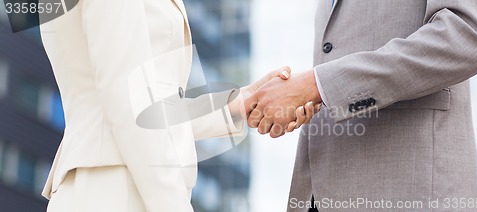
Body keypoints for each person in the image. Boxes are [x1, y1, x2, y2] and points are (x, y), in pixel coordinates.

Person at [38, 0, 319, 211]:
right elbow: (128, 104)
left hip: (118, 183)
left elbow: (143, 106)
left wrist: (238, 103)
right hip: (117, 187)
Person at [244, 0, 477, 211]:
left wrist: (315, 84)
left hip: (409, 190)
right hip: (321, 192)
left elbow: (469, 35)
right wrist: (307, 93)